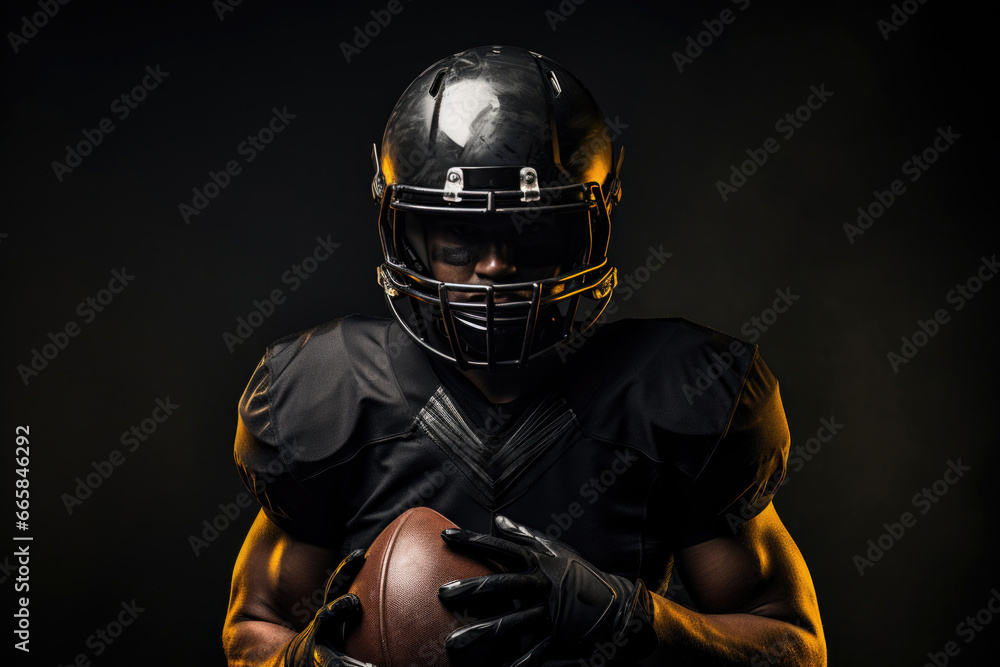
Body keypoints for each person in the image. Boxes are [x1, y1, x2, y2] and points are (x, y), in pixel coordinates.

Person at [222, 45, 826, 666]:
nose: (494, 266)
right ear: (410, 234)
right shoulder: (331, 393)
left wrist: (632, 620)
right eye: (462, 234)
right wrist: (298, 662)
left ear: (584, 229)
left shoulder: (675, 393)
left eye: (530, 230)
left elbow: (795, 648)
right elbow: (254, 626)